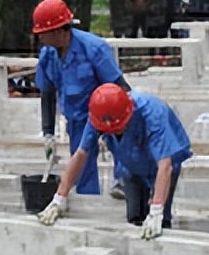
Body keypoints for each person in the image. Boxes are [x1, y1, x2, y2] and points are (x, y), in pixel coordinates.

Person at [35, 84, 191, 240]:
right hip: (130, 163)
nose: (114, 132)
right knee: (135, 216)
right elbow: (81, 154)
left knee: (160, 221)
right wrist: (59, 199)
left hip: (162, 162)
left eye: (118, 129)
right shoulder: (99, 115)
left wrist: (157, 209)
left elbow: (165, 166)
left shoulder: (153, 113)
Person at [31, 0, 132, 195]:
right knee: (81, 164)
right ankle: (89, 201)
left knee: (123, 148)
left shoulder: (94, 49)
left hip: (108, 112)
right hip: (77, 119)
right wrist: (48, 132)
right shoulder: (48, 55)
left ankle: (125, 182)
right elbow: (48, 94)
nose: (40, 38)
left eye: (43, 33)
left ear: (59, 31)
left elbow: (120, 87)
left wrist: (123, 124)